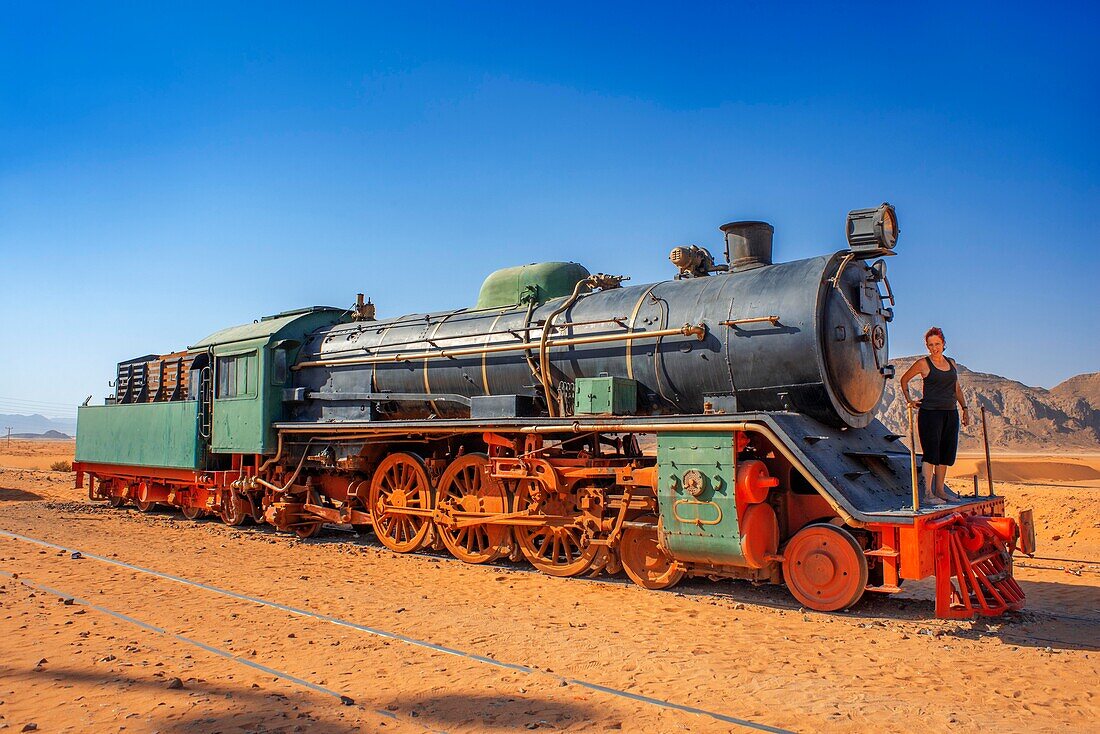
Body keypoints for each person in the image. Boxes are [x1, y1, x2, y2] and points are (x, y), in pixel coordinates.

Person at [899, 327, 970, 505]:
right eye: (931, 345)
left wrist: (965, 408)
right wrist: (909, 399)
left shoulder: (951, 363)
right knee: (931, 454)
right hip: (930, 414)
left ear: (943, 343)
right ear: (927, 346)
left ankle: (940, 491)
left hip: (950, 412)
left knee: (945, 453)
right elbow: (904, 379)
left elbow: (957, 388)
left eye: (937, 344)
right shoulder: (923, 364)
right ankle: (928, 494)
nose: (934, 348)